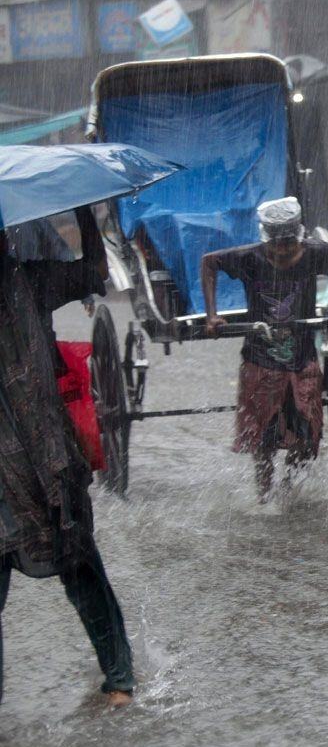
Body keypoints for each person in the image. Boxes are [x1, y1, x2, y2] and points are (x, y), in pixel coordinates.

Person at [0, 210, 135, 707]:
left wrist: (86, 212)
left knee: (80, 564)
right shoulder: (27, 279)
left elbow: (91, 273)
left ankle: (120, 678)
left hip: (46, 458)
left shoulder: (28, 280)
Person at [201, 197, 328, 502]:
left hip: (302, 357)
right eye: (276, 244)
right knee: (264, 439)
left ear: (297, 237)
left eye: (288, 243)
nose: (282, 250)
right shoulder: (249, 258)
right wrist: (212, 314)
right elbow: (209, 262)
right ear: (266, 239)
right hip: (260, 359)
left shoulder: (314, 254)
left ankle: (290, 489)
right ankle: (265, 496)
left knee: (308, 434)